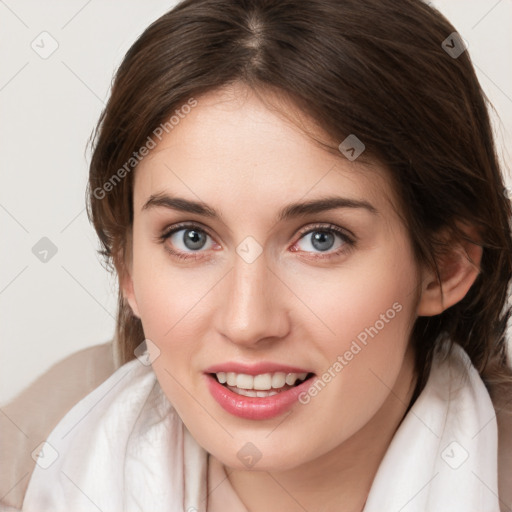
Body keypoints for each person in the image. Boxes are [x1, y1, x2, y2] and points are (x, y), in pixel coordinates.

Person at [14, 0, 512, 510]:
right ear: (127, 268)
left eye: (322, 239)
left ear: (445, 265)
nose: (248, 322)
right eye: (191, 237)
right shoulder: (31, 467)